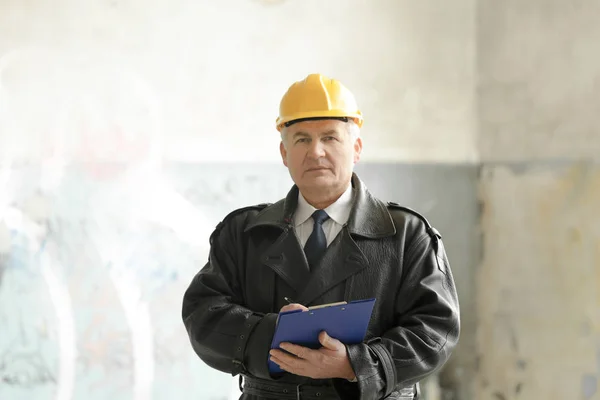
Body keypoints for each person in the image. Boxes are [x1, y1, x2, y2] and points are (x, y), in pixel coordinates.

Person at [182, 73, 460, 400]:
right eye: (301, 139)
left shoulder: (407, 235)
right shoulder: (243, 233)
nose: (316, 152)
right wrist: (270, 335)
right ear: (284, 154)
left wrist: (356, 365)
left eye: (330, 137)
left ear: (355, 148)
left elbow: (435, 330)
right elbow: (203, 314)